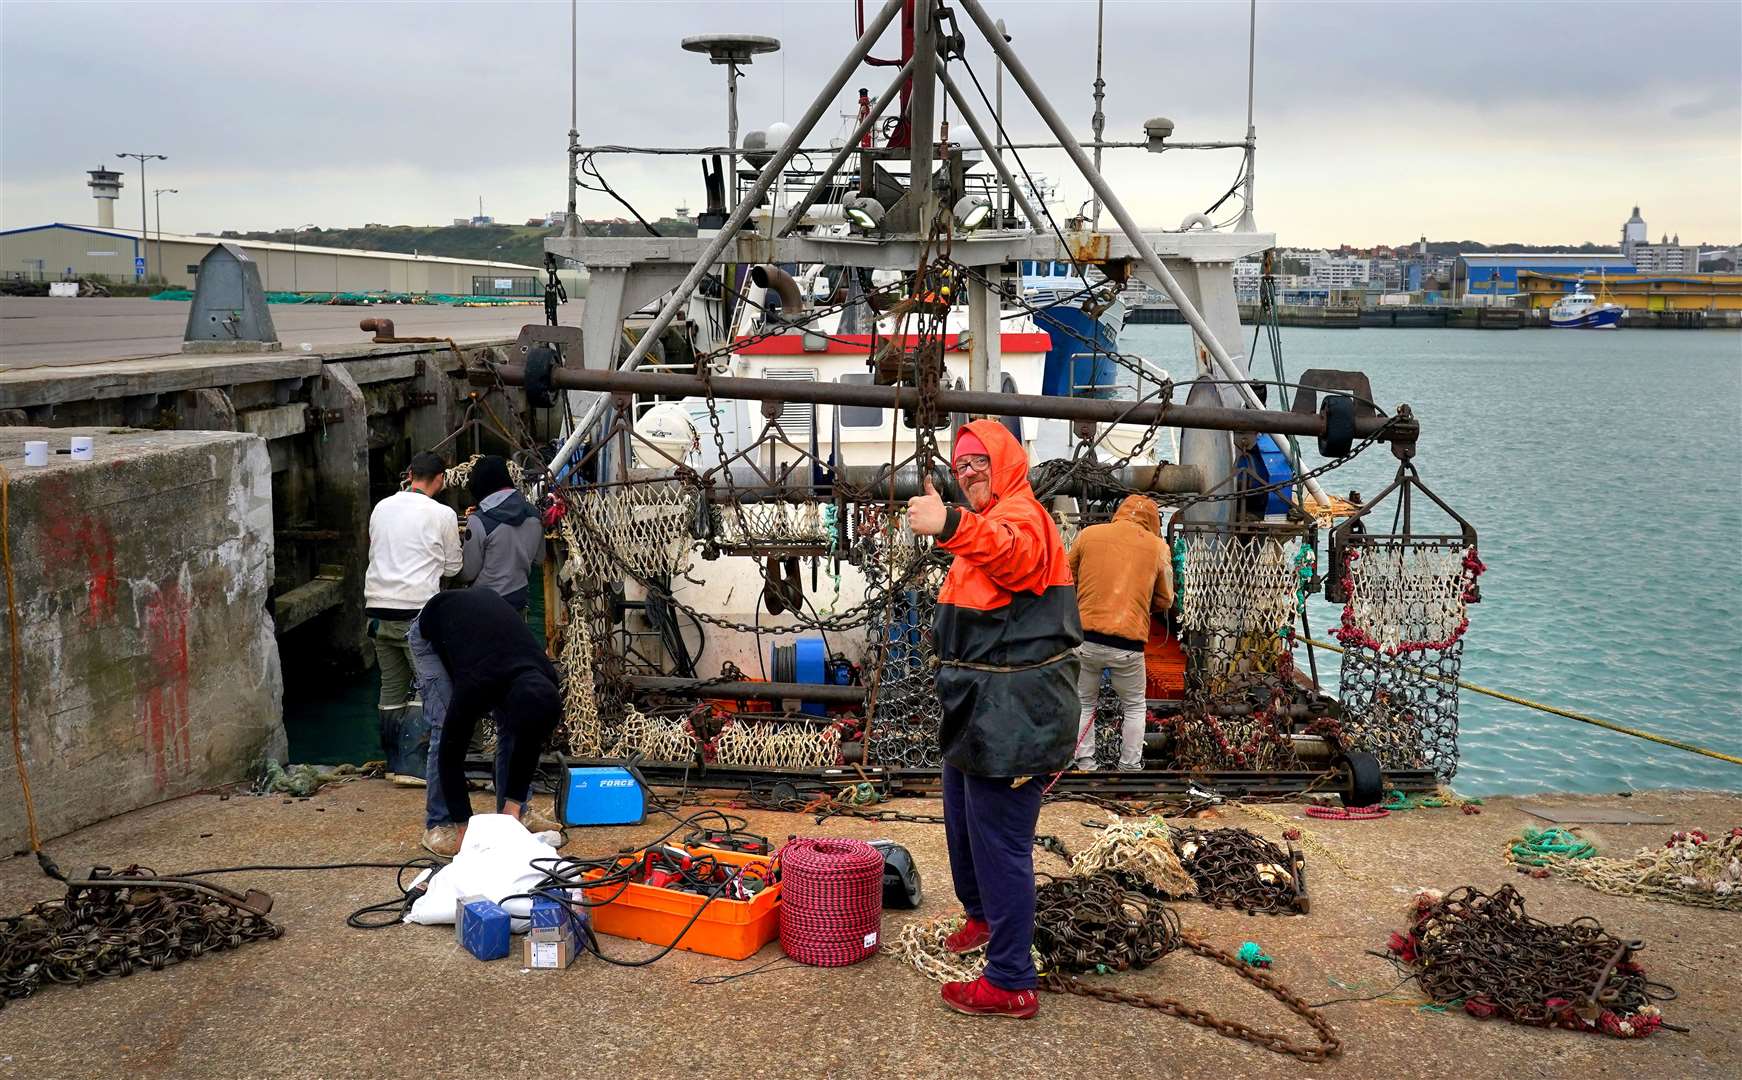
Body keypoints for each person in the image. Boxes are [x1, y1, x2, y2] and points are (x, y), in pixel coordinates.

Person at [905, 420, 1081, 1020]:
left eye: (979, 460)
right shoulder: (986, 526)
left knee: (1001, 843)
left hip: (1016, 718)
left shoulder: (1023, 518)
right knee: (961, 817)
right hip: (981, 713)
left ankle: (1010, 979)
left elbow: (1015, 556)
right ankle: (982, 918)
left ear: (1006, 461)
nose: (969, 472)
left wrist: (949, 524)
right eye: (961, 466)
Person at [412, 588, 563, 854]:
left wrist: (512, 807)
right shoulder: (475, 685)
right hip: (433, 628)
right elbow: (451, 754)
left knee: (515, 732)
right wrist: (465, 828)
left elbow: (529, 741)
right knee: (444, 725)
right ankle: (440, 823)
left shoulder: (546, 679)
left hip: (486, 637)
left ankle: (513, 815)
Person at [363, 451, 461, 780]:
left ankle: (392, 763)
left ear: (409, 474)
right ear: (441, 480)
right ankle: (414, 767)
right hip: (416, 613)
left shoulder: (381, 507)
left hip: (376, 609)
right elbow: (453, 567)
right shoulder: (443, 514)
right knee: (427, 687)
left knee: (390, 688)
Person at [1067, 494, 1174, 771]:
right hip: (1128, 645)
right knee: (1135, 706)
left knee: (1084, 702)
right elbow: (1166, 600)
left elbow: (1067, 576)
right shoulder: (1158, 547)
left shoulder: (1089, 535)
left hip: (1085, 639)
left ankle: (1085, 763)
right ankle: (1129, 766)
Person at [456, 455, 543, 609]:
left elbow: (468, 573)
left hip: (484, 605)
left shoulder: (478, 520)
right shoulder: (534, 514)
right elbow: (539, 559)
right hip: (518, 599)